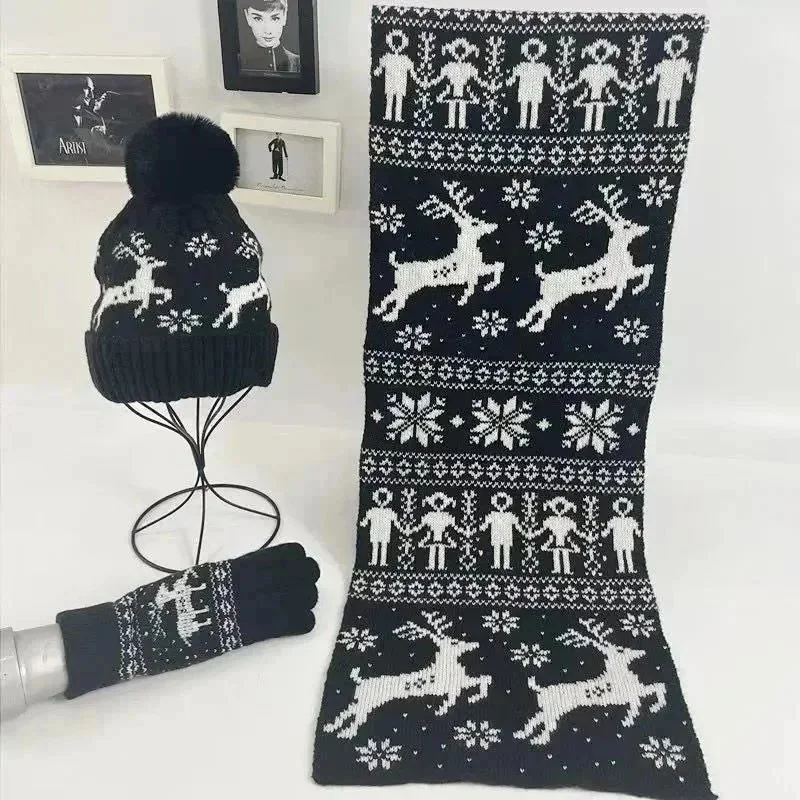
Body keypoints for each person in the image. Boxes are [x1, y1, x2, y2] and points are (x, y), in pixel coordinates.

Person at [647, 34, 694, 128]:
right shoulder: (665, 63)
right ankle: (661, 123)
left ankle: (670, 123)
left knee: (671, 104)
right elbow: (655, 74)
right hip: (665, 87)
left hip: (672, 87)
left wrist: (690, 77)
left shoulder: (681, 62)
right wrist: (650, 80)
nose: (675, 52)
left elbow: (688, 75)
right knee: (664, 104)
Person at [240, 0, 300, 74]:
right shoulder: (240, 62)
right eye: (257, 18)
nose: (268, 31)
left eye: (275, 18)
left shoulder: (298, 62)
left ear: (285, 16)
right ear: (247, 17)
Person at [479, 492, 525, 570]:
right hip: (498, 535)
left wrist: (522, 530)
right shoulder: (495, 515)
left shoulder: (508, 515)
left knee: (505, 550)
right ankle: (497, 565)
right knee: (497, 549)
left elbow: (516, 524)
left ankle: (506, 565)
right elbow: (486, 523)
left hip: (505, 536)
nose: (501, 505)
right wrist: (482, 527)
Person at [359, 488, 401, 567]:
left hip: (381, 531)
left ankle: (380, 562)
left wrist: (400, 526)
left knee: (381, 546)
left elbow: (396, 522)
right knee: (379, 546)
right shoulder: (380, 511)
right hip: (379, 531)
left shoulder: (379, 511)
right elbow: (396, 522)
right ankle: (376, 562)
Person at [601, 497, 642, 573]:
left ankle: (629, 569)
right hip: (620, 540)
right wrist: (605, 533)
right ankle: (623, 569)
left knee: (626, 554)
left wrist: (638, 532)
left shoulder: (627, 520)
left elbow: (636, 529)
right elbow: (608, 528)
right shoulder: (618, 520)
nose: (622, 511)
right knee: (622, 554)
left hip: (625, 540)